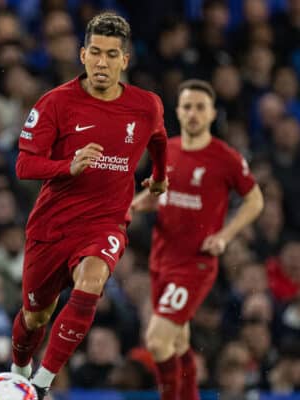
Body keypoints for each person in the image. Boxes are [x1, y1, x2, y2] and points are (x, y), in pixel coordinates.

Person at [9, 12, 168, 399]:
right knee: (35, 317)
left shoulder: (146, 105)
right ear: (82, 55)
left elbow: (159, 139)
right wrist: (69, 165)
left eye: (112, 54)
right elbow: (24, 164)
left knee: (93, 281)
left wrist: (161, 177)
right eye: (95, 52)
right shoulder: (55, 103)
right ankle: (17, 374)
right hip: (53, 225)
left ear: (124, 60)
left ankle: (41, 386)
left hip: (106, 223)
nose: (102, 62)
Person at [131, 79, 264, 400]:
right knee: (178, 343)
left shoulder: (225, 157)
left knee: (157, 341)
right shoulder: (167, 149)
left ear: (212, 113)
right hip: (161, 258)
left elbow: (255, 200)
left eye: (200, 107)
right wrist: (139, 203)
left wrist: (225, 236)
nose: (193, 113)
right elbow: (157, 194)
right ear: (178, 111)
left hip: (195, 263)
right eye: (187, 106)